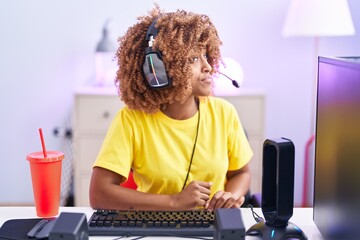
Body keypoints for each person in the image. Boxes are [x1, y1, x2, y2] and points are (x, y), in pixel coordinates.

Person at [89, 4, 253, 211]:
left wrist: (231, 196)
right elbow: (99, 194)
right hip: (154, 226)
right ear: (159, 70)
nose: (208, 66)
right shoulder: (132, 119)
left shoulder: (224, 113)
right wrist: (174, 202)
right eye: (194, 58)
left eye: (205, 55)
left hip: (214, 225)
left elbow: (242, 173)